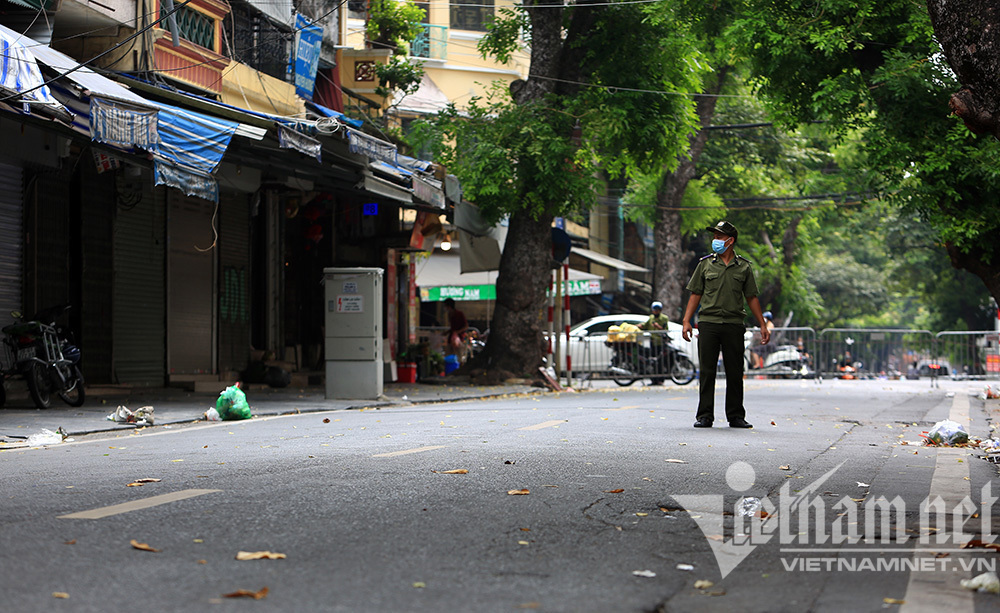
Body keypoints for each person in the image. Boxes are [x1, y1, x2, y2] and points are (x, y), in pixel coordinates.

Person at [681, 220, 770, 429]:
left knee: (734, 371)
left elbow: (752, 298)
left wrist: (763, 325)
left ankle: (736, 416)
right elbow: (696, 294)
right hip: (708, 323)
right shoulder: (704, 264)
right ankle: (704, 416)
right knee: (707, 371)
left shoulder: (744, 267)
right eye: (715, 237)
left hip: (734, 324)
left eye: (719, 237)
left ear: (730, 241)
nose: (715, 241)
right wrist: (686, 320)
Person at [641, 301, 672, 384]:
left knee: (660, 362)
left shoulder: (664, 318)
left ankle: (661, 379)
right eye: (654, 310)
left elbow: (665, 329)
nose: (655, 311)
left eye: (657, 310)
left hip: (661, 343)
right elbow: (644, 326)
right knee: (652, 361)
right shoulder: (651, 318)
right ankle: (654, 380)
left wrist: (658, 326)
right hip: (653, 342)